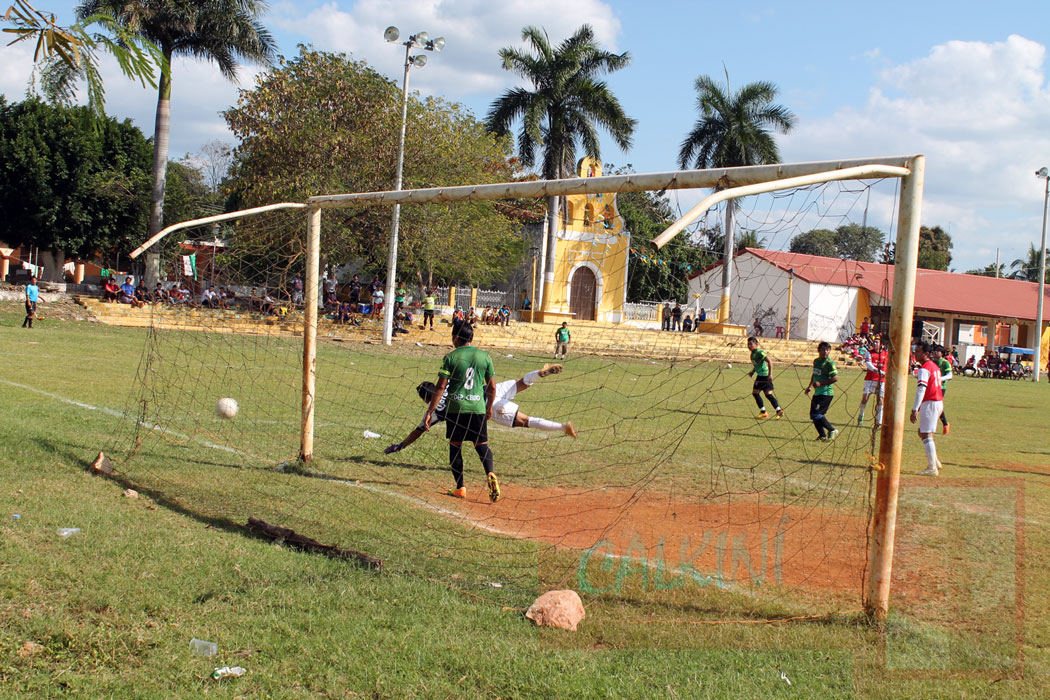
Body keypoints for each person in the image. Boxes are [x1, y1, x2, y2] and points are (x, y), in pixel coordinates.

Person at [386, 363, 577, 456]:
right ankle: (539, 373)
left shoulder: (433, 409)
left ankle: (563, 427)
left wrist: (401, 445)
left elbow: (419, 430)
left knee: (526, 421)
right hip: (489, 390)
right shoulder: (449, 384)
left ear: (426, 399)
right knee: (521, 383)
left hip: (488, 407)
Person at [422, 323, 500, 501]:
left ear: (456, 337)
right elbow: (492, 387)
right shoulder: (484, 356)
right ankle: (490, 473)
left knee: (455, 446)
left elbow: (441, 387)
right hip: (477, 408)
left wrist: (430, 411)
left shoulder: (450, 357)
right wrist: (488, 408)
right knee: (482, 445)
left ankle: (460, 487)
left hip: (456, 409)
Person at [911, 342, 944, 476]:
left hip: (930, 402)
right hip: (937, 402)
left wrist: (915, 409)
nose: (915, 353)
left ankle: (932, 467)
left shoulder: (924, 369)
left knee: (926, 434)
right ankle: (935, 461)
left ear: (926, 354)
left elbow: (921, 389)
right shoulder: (934, 366)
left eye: (918, 351)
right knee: (922, 432)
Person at [804, 341, 839, 441]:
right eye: (823, 349)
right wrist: (810, 386)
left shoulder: (829, 363)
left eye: (827, 350)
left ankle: (832, 430)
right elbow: (815, 374)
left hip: (826, 393)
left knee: (817, 414)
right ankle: (822, 435)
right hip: (818, 393)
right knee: (813, 415)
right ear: (818, 350)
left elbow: (835, 378)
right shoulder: (816, 361)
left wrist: (821, 384)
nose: (825, 352)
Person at [747, 337, 784, 419]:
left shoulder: (760, 352)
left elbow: (770, 361)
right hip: (763, 376)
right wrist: (752, 372)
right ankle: (778, 410)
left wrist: (770, 374)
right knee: (768, 394)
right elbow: (757, 365)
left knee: (755, 393)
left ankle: (763, 412)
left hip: (763, 376)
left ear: (756, 344)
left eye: (751, 344)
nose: (749, 346)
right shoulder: (753, 354)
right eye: (748, 344)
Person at [857, 336, 887, 426]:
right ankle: (861, 415)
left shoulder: (886, 353)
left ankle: (879, 420)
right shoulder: (869, 352)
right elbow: (869, 364)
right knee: (865, 398)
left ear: (881, 344)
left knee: (880, 400)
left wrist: (884, 373)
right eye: (874, 342)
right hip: (870, 379)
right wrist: (878, 371)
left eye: (877, 342)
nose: (874, 343)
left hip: (881, 380)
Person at [932, 344, 953, 435]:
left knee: (937, 406)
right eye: (934, 351)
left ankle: (945, 424)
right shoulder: (931, 362)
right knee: (931, 405)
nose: (935, 352)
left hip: (941, 387)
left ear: (942, 353)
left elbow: (950, 375)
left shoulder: (945, 362)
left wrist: (939, 379)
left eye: (937, 351)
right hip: (931, 386)